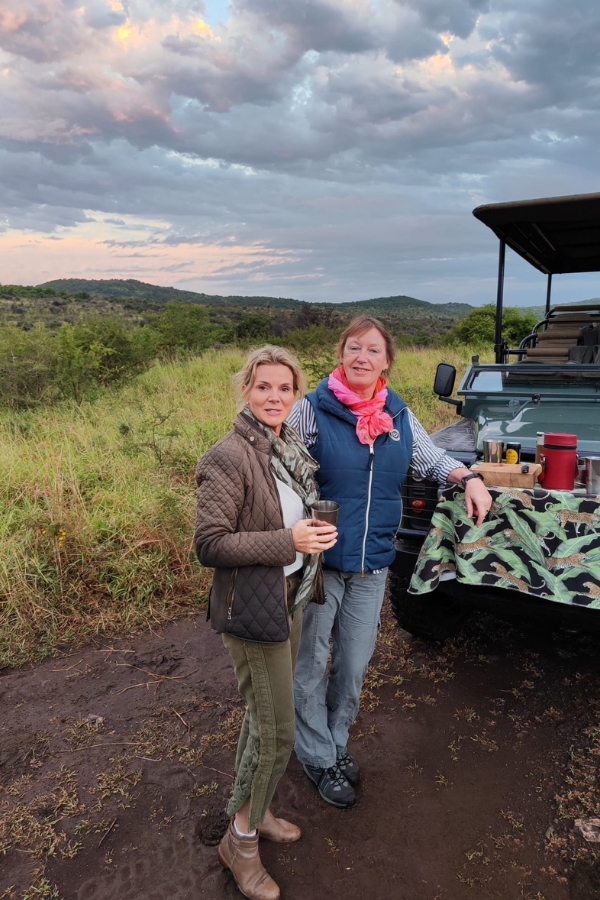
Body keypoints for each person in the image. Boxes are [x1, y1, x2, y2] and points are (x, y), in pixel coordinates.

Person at [289, 316, 493, 809]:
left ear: (387, 362)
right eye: (353, 347)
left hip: (372, 565)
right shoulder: (311, 410)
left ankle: (336, 741)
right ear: (341, 354)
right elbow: (272, 462)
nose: (362, 357)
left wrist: (470, 479)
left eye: (373, 350)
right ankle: (316, 755)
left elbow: (432, 459)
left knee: (353, 665)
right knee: (310, 663)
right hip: (320, 563)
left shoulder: (398, 416)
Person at [194, 345, 337, 900]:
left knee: (264, 722)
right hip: (253, 607)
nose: (274, 397)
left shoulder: (286, 447)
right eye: (263, 387)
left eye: (284, 388)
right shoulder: (228, 456)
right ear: (245, 390)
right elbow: (210, 544)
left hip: (289, 595)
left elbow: (289, 519)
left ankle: (258, 808)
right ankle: (241, 842)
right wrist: (288, 541)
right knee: (278, 732)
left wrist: (309, 540)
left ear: (296, 394)